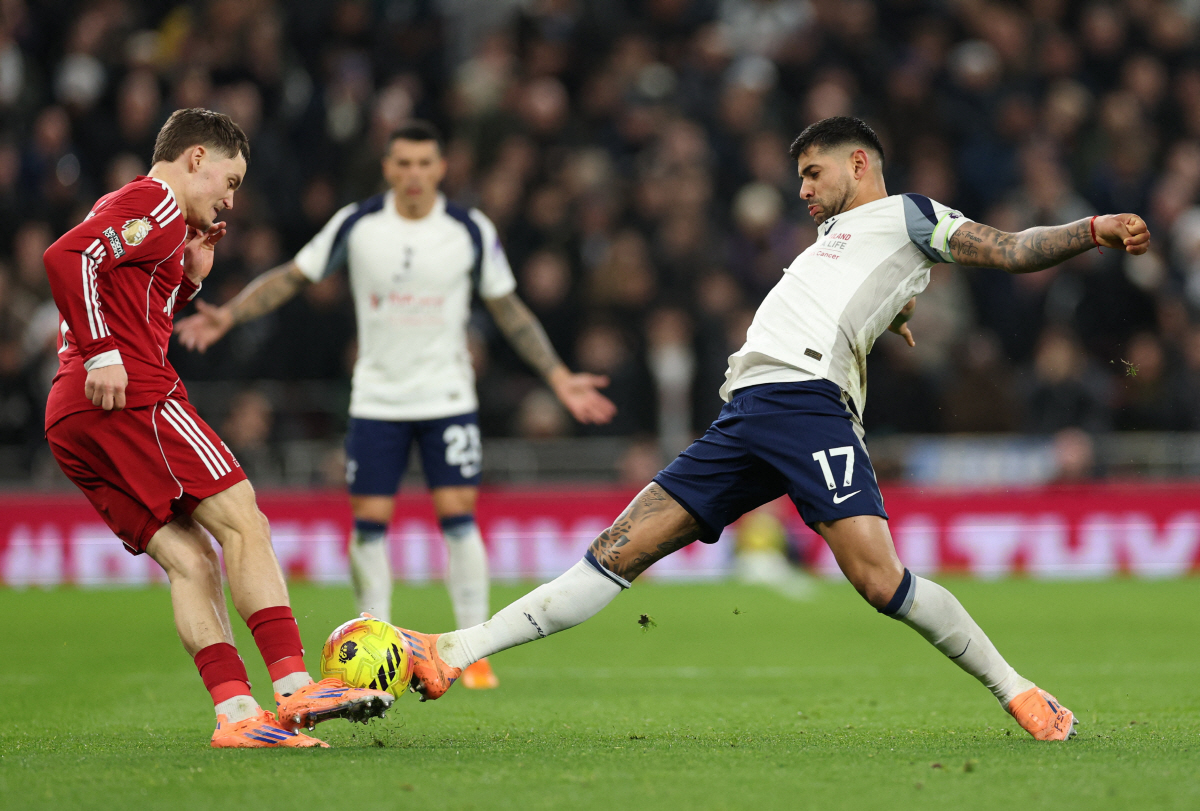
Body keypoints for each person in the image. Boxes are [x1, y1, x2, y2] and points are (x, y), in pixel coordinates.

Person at [390, 116, 1152, 741]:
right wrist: (896, 313)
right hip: (745, 412)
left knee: (879, 579)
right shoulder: (831, 245)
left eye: (813, 174)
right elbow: (870, 290)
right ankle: (451, 650)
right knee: (616, 550)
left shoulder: (909, 213)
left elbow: (1012, 249)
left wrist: (1091, 228)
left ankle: (1020, 692)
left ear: (859, 163)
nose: (804, 192)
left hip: (805, 403)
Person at [176, 120, 616, 690]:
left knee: (459, 518)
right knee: (370, 526)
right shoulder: (358, 224)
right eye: (402, 164)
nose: (413, 174)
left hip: (448, 396)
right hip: (377, 399)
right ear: (388, 168)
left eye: (423, 164)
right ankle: (372, 640)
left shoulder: (468, 229)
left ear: (440, 169)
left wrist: (558, 376)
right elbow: (294, 277)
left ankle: (473, 650)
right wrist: (230, 313)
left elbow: (508, 309)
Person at [42, 108, 394, 749]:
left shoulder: (130, 209)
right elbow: (66, 257)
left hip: (72, 415)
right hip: (129, 395)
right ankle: (294, 688)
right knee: (243, 519)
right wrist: (103, 351)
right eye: (229, 181)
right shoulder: (155, 203)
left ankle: (236, 715)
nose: (231, 198)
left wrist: (186, 279)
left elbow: (120, 290)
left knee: (192, 559)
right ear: (197, 158)